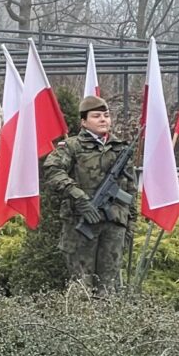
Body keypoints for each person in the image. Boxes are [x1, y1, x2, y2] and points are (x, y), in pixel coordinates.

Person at [42, 95, 137, 294]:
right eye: (96, 116)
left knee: (109, 288)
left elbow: (130, 190)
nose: (103, 119)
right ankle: (80, 323)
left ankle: (106, 325)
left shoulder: (120, 148)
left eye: (106, 115)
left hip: (113, 225)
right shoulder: (72, 146)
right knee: (81, 286)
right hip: (82, 223)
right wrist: (78, 196)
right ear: (84, 122)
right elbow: (53, 170)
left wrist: (130, 224)